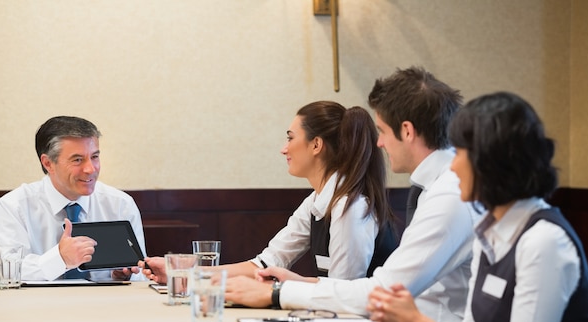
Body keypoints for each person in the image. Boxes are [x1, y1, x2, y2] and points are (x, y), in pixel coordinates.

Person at [367, 92, 588, 322]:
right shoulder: (489, 233)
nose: (453, 167)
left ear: (492, 161)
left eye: (460, 153)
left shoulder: (543, 242)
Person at [223, 67, 478, 322]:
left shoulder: (449, 196)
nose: (379, 143)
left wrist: (277, 293)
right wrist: (291, 284)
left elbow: (381, 291)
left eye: (383, 131)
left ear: (407, 131)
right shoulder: (437, 188)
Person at [144, 101, 398, 282]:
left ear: (316, 145)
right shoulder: (316, 201)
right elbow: (266, 262)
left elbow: (344, 292)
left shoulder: (350, 207)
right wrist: (182, 273)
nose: (284, 149)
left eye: (290, 138)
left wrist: (288, 283)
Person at [0, 116, 146, 282]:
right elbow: (1, 274)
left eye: (94, 157)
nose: (90, 169)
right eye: (77, 160)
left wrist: (121, 275)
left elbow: (140, 273)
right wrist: (60, 259)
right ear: (48, 163)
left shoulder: (120, 204)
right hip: (38, 306)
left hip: (104, 305)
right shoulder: (13, 206)